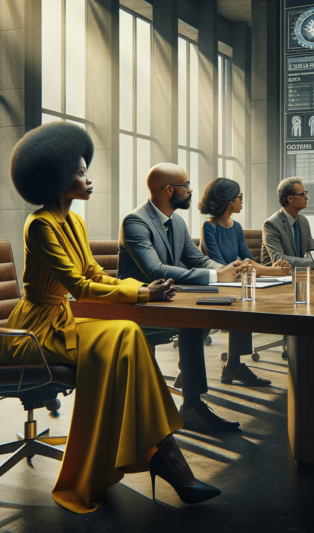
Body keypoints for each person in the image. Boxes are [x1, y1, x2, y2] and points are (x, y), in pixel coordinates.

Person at [0, 122, 220, 514]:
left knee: (128, 334)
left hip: (64, 319)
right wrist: (139, 291)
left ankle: (164, 456)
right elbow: (79, 286)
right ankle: (164, 459)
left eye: (86, 170)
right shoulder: (39, 225)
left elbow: (94, 275)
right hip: (35, 328)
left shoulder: (76, 221)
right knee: (122, 336)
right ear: (56, 178)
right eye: (80, 172)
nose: (88, 178)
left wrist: (138, 290)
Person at [117, 163, 247, 431]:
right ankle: (192, 406)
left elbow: (196, 258)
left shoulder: (176, 221)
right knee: (193, 320)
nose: (190, 191)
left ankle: (189, 387)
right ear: (168, 190)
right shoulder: (135, 222)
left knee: (214, 305)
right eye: (185, 185)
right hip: (140, 305)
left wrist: (223, 271)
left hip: (170, 300)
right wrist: (214, 277)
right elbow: (156, 270)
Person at [199, 177, 291, 386]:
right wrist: (269, 270)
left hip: (237, 284)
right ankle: (213, 367)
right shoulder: (209, 227)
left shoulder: (237, 227)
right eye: (239, 197)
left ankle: (234, 366)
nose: (242, 200)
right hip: (215, 287)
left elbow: (247, 260)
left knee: (246, 302)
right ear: (228, 200)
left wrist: (272, 270)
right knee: (242, 302)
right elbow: (223, 267)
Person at [261, 176, 314, 268]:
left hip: (299, 275)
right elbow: (279, 259)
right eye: (302, 194)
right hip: (276, 277)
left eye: (306, 193)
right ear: (290, 199)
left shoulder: (303, 221)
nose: (307, 197)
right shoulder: (271, 224)